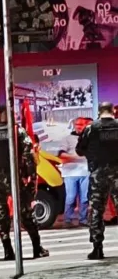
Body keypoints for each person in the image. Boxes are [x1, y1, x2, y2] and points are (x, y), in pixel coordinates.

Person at [0, 106, 49, 260]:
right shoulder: (17, 131)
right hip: (15, 176)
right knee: (26, 213)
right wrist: (30, 176)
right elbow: (29, 154)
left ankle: (8, 251)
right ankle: (37, 248)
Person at [77, 101, 118, 259]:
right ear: (113, 110)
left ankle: (97, 248)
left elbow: (79, 150)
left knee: (96, 210)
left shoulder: (91, 128)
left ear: (99, 112)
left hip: (98, 173)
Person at [60, 117, 92, 226]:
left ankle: (83, 219)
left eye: (82, 124)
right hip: (70, 173)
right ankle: (68, 219)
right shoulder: (67, 139)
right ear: (74, 125)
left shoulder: (90, 139)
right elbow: (61, 155)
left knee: (84, 197)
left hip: (85, 171)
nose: (79, 126)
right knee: (71, 197)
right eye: (77, 124)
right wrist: (78, 158)